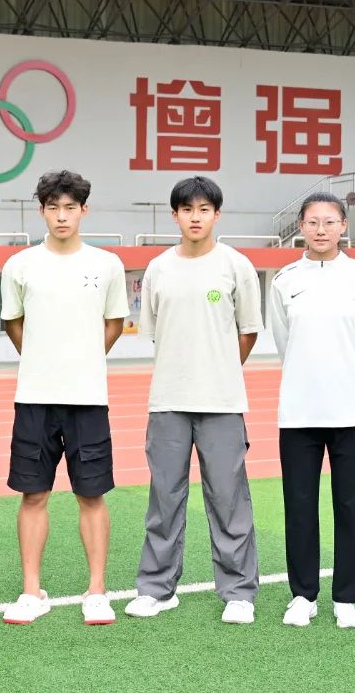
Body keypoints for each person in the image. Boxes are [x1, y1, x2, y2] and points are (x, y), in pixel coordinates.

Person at [123, 176, 263, 625]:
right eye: (187, 209)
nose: (195, 217)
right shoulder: (159, 268)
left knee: (228, 498)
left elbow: (248, 332)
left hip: (222, 402)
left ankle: (238, 592)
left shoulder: (236, 265)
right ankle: (157, 588)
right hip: (168, 400)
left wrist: (218, 370)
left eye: (204, 209)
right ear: (175, 216)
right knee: (164, 498)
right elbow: (155, 333)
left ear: (217, 215)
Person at [0, 170, 129, 626]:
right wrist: (43, 359)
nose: (61, 216)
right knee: (33, 494)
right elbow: (14, 323)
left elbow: (113, 323)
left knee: (91, 495)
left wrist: (83, 359)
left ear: (83, 210)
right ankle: (31, 591)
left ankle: (97, 591)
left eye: (70, 207)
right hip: (34, 397)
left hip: (88, 398)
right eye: (53, 207)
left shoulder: (107, 264)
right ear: (42, 211)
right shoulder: (20, 265)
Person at [267, 192, 355, 629]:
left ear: (343, 226)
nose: (321, 230)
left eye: (329, 222)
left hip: (350, 410)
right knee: (299, 506)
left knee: (352, 506)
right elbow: (284, 340)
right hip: (299, 412)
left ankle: (347, 599)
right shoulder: (284, 280)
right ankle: (303, 596)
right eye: (313, 222)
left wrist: (343, 370)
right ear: (300, 226)